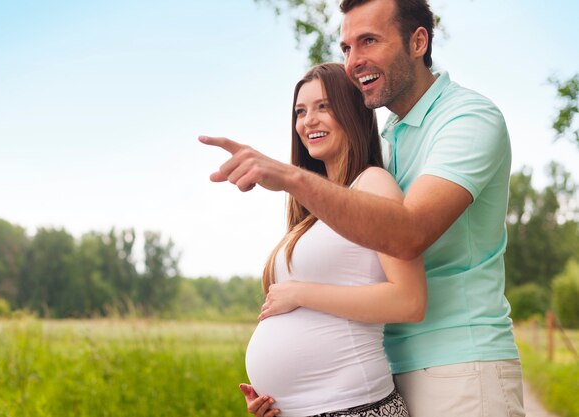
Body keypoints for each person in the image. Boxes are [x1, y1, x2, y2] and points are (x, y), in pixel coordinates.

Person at [200, 0, 525, 416]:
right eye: (347, 47)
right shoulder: (387, 142)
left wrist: (292, 177)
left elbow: (409, 234)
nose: (354, 61)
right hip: (390, 369)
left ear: (418, 42)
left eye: (368, 41)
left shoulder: (467, 119)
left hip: (459, 367)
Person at [240, 62, 425, 417]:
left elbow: (409, 301)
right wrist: (276, 401)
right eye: (300, 111)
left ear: (352, 112)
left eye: (323, 106)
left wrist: (300, 294)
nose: (308, 120)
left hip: (355, 406)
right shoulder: (309, 215)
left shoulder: (372, 183)